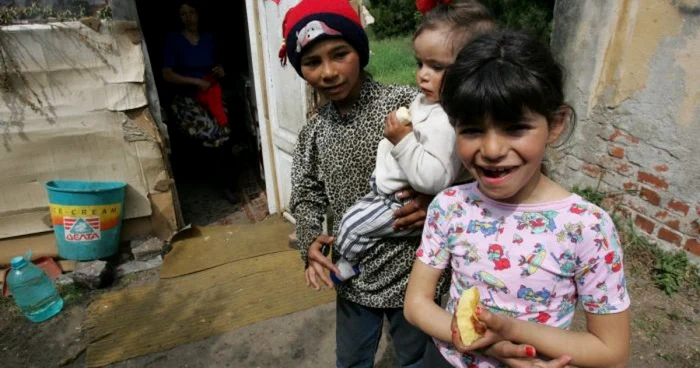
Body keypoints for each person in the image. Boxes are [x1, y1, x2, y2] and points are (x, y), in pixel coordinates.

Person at [404, 30, 631, 368]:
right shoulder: (450, 206)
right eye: (471, 130)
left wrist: (511, 331)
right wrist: (480, 344)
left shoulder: (587, 228)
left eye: (514, 128)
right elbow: (417, 303)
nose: (492, 150)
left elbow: (611, 349)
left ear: (555, 125)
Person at [283, 0, 441, 366]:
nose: (328, 72)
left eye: (340, 54)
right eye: (312, 62)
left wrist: (434, 201)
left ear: (361, 51)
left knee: (417, 359)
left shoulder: (408, 106)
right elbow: (305, 195)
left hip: (413, 268)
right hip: (353, 274)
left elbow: (453, 158)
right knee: (352, 360)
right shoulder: (314, 133)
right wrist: (309, 242)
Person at [330, 0, 495, 284]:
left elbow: (433, 179)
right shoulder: (429, 101)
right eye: (420, 63)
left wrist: (402, 140)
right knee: (355, 220)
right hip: (387, 190)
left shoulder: (449, 120)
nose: (423, 74)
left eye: (436, 66)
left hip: (400, 200)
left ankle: (348, 264)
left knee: (350, 225)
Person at [162, 1, 229, 148]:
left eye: (191, 12)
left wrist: (220, 71)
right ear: (178, 17)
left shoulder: (208, 38)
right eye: (183, 14)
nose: (188, 17)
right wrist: (196, 82)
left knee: (224, 128)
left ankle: (220, 167)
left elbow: (218, 66)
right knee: (210, 131)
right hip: (186, 99)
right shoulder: (174, 40)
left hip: (209, 95)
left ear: (198, 14)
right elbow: (166, 74)